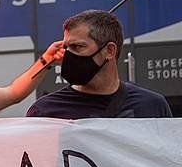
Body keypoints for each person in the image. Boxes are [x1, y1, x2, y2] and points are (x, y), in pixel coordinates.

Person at [28, 10, 173, 119]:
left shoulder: (152, 106)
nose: (67, 55)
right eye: (66, 47)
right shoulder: (45, 112)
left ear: (109, 50)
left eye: (77, 47)